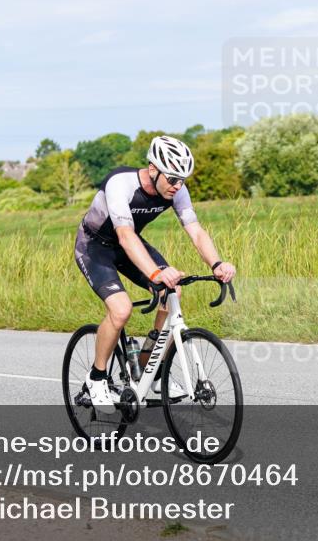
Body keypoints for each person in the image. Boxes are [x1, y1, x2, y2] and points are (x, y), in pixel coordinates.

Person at [74, 135, 236, 413]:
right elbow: (125, 235)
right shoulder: (121, 183)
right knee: (121, 310)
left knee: (173, 294)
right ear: (153, 169)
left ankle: (152, 370)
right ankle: (97, 378)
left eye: (183, 180)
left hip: (129, 245)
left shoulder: (176, 190)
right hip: (95, 247)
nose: (178, 186)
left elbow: (196, 231)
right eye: (172, 179)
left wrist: (217, 263)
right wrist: (154, 273)